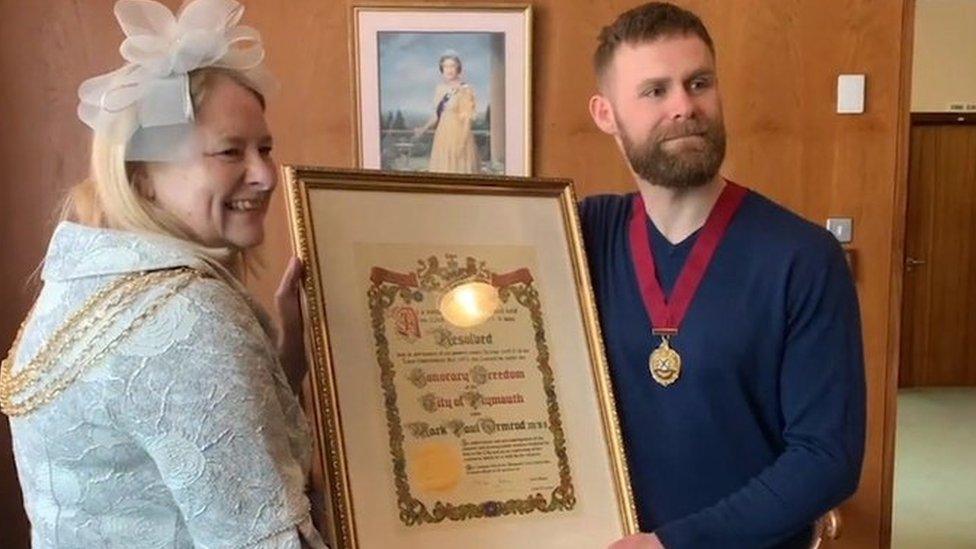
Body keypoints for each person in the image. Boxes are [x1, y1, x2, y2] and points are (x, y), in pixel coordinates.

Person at [0, 0, 325, 546]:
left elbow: (199, 435)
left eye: (265, 148)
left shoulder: (88, 280)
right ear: (144, 178)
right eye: (230, 152)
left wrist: (295, 348)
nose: (267, 175)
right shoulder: (188, 317)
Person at [580, 3, 866, 548]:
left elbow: (827, 459)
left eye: (699, 82)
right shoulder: (581, 237)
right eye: (654, 91)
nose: (684, 107)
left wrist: (674, 545)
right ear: (606, 113)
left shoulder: (804, 256)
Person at [413, 50, 481, 173]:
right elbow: (436, 115)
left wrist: (462, 143)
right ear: (442, 69)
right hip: (442, 136)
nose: (449, 70)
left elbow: (467, 119)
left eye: (452, 66)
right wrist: (423, 129)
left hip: (459, 135)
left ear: (458, 68)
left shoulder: (465, 89)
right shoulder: (439, 89)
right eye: (445, 66)